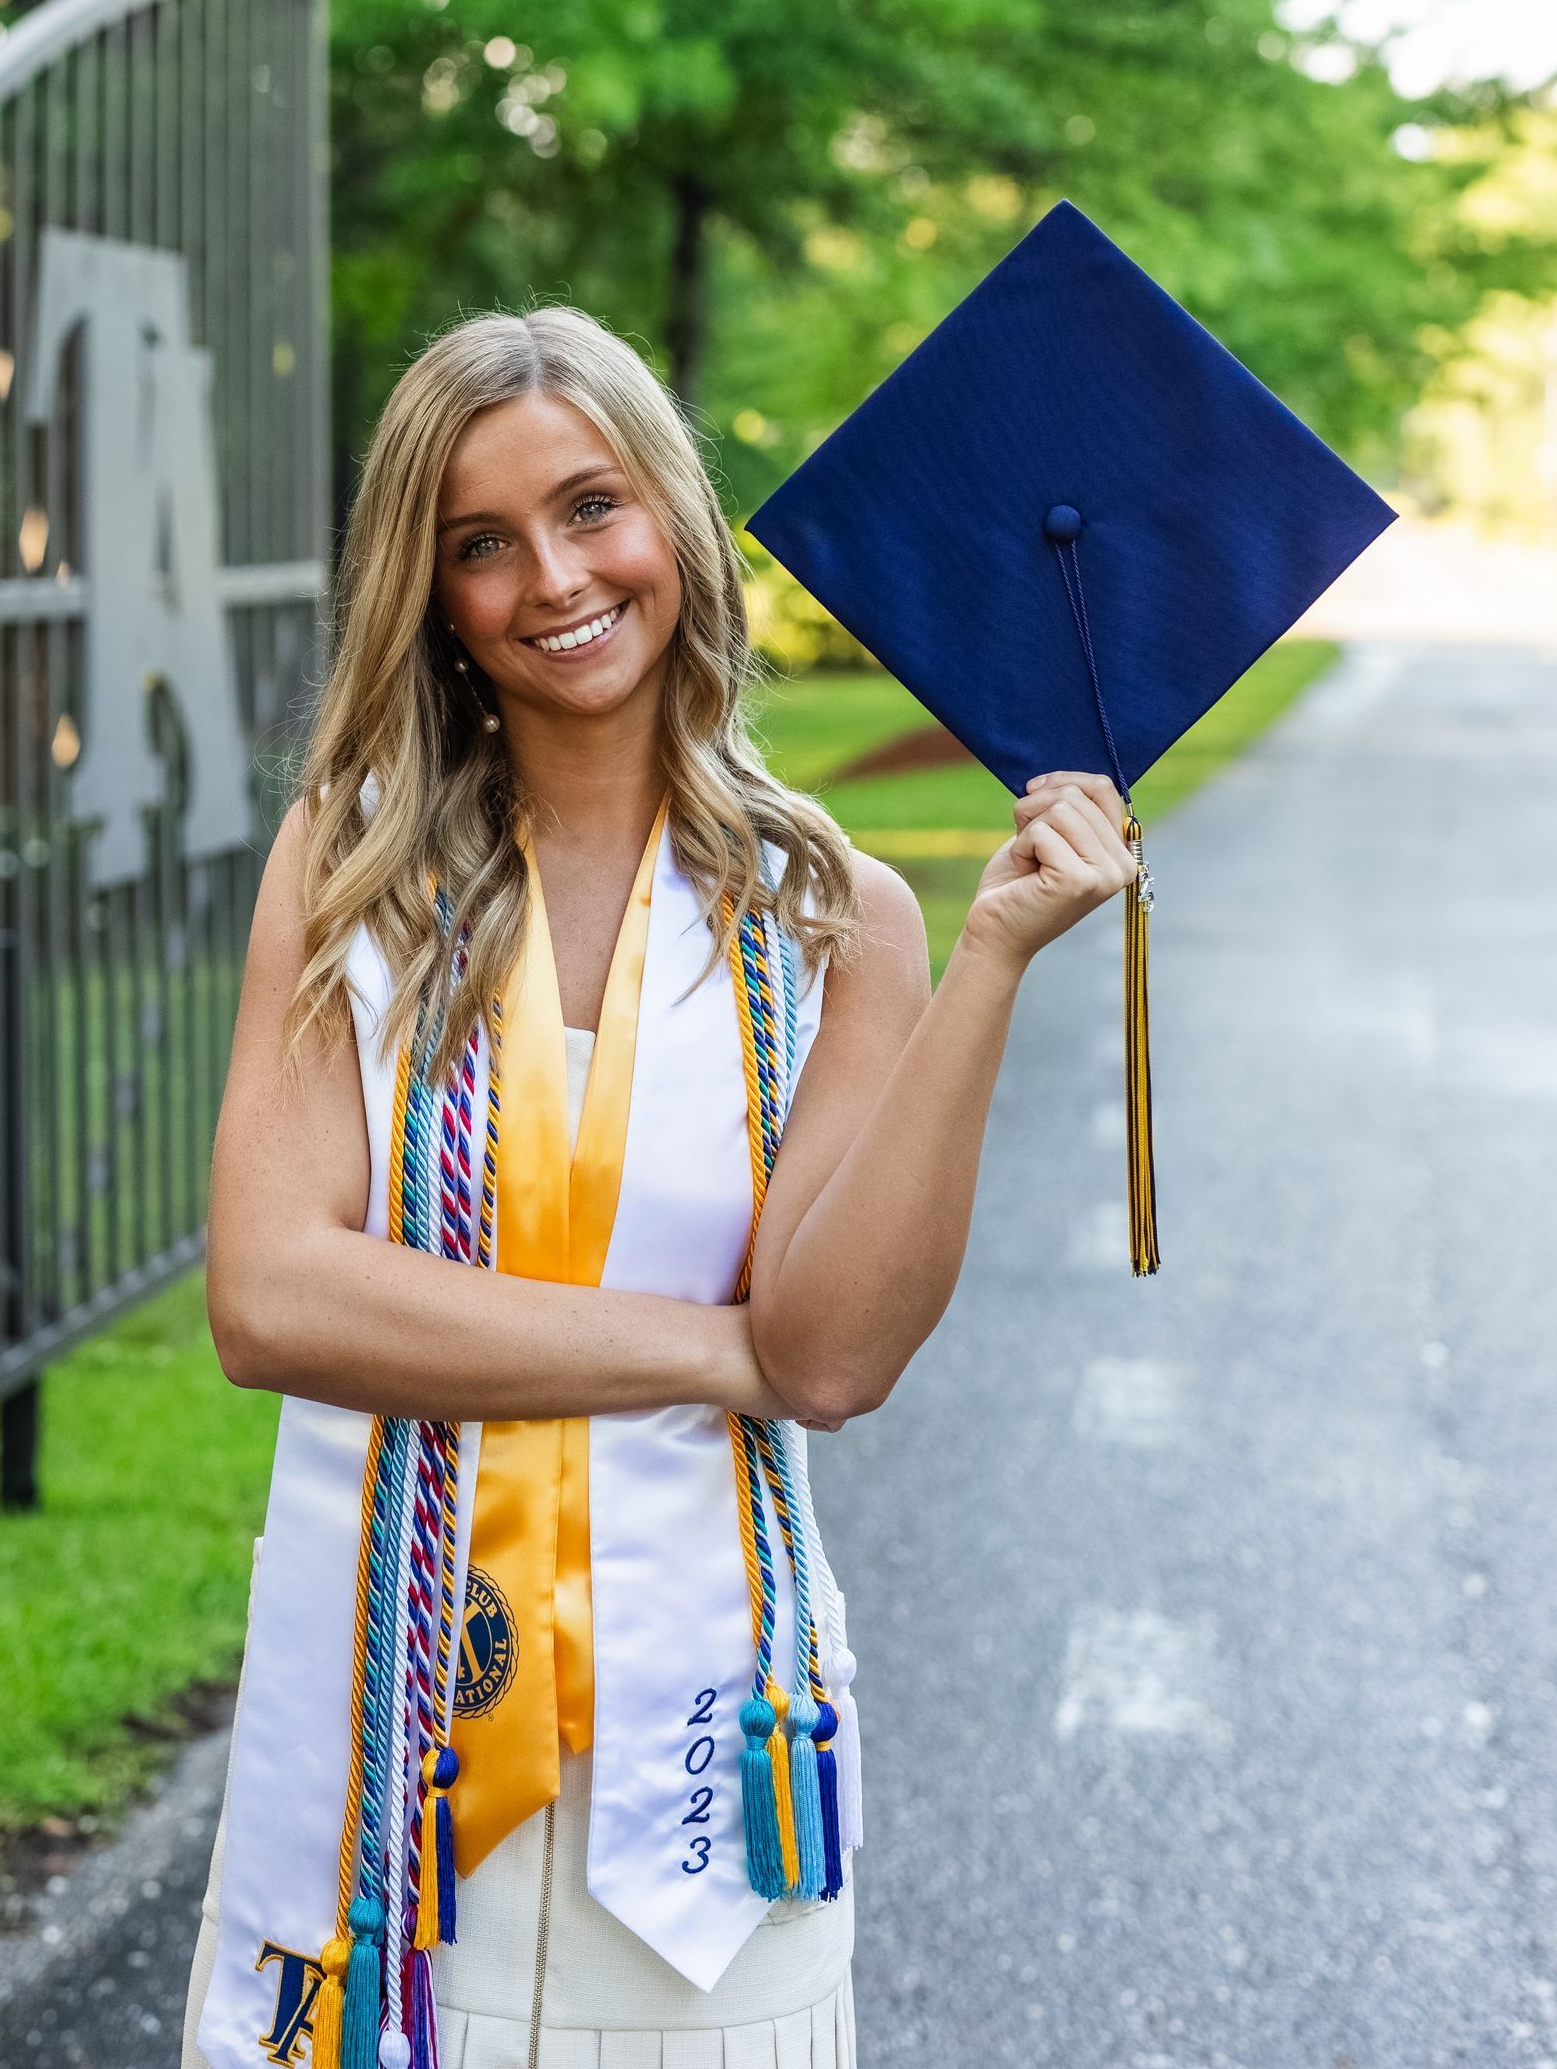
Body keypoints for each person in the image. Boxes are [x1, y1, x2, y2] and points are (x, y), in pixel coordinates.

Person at [184, 305, 1133, 2069]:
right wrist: (713, 1355)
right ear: (432, 589)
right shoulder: (354, 868)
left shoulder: (835, 919)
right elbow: (272, 1296)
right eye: (482, 542)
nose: (553, 576)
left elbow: (834, 1356)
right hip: (381, 1762)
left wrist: (995, 956)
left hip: (704, 1781)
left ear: (676, 528)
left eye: (592, 506)